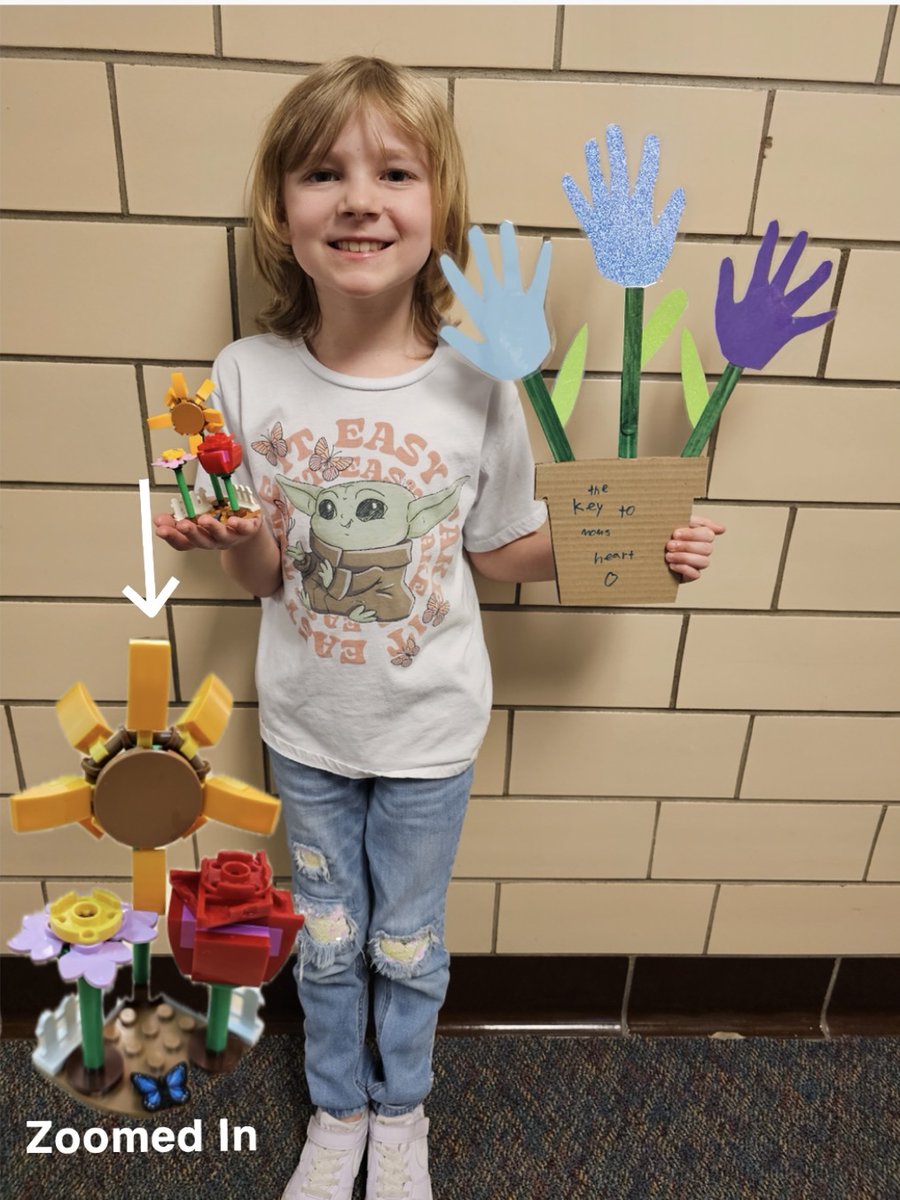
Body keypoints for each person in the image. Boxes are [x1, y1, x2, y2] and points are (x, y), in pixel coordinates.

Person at [154, 56, 724, 1200]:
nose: (360, 197)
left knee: (404, 943)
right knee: (325, 939)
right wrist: (235, 541)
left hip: (429, 737)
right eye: (325, 172)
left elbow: (499, 548)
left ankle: (400, 1111)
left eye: (394, 171)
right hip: (309, 729)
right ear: (284, 209)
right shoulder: (243, 375)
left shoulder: (481, 378)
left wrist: (618, 542)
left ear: (437, 211)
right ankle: (338, 1111)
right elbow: (269, 576)